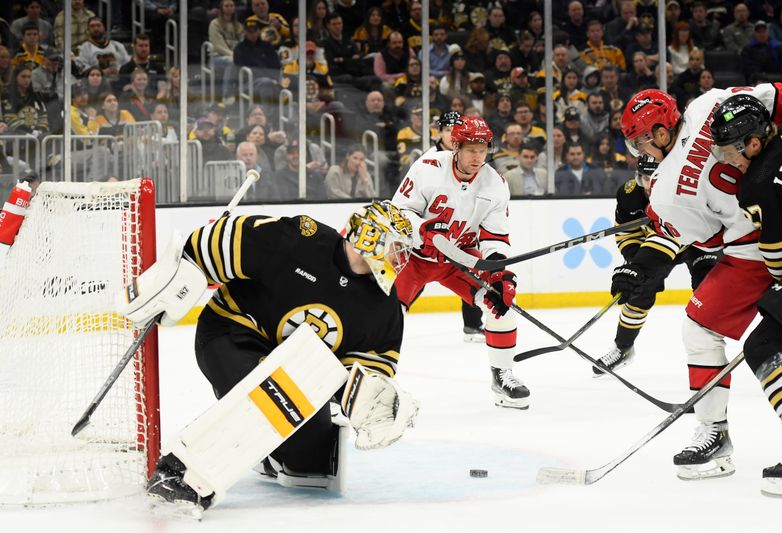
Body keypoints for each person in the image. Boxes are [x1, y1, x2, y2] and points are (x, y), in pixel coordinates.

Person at [123, 205, 418, 514]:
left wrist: (363, 397)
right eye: (397, 247)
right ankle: (179, 473)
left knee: (311, 462)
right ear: (371, 237)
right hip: (234, 332)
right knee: (267, 400)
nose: (401, 259)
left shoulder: (384, 306)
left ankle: (267, 454)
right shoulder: (304, 240)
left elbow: (365, 369)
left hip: (293, 370)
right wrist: (182, 273)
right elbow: (228, 240)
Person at [619, 84, 782, 481]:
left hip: (756, 249)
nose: (639, 153)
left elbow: (704, 239)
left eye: (639, 144)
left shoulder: (665, 191)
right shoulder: (708, 103)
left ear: (661, 134)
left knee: (701, 329)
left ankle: (715, 434)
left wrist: (641, 264)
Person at [391, 116, 530, 409]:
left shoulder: (495, 184)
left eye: (483, 150)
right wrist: (422, 229)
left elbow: (495, 238)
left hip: (458, 259)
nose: (478, 157)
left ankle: (502, 376)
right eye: (471, 149)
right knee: (384, 316)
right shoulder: (428, 168)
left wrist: (499, 272)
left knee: (499, 304)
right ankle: (369, 379)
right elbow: (398, 212)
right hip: (413, 257)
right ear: (456, 145)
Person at [707, 94, 782, 497]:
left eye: (730, 151)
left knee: (766, 342)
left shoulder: (757, 184)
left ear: (755, 143)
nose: (725, 160)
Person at [597, 155, 718, 375]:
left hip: (696, 243)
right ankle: (623, 348)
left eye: (655, 178)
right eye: (645, 178)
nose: (650, 184)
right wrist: (635, 260)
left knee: (708, 289)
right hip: (656, 246)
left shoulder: (683, 190)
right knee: (639, 288)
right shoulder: (629, 195)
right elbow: (626, 232)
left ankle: (710, 355)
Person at [420, 111, 485, 342]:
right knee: (414, 280)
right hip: (431, 230)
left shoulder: (471, 159)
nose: (451, 134)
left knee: (472, 272)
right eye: (447, 130)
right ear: (439, 133)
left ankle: (473, 325)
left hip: (460, 228)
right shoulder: (428, 160)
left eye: (454, 130)